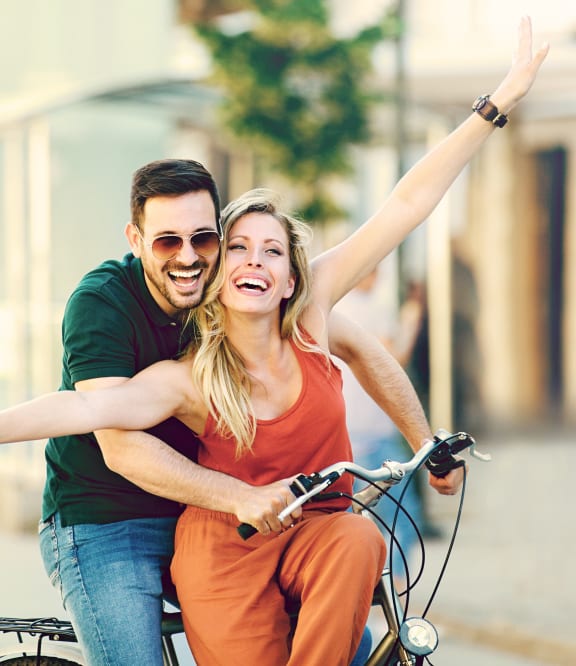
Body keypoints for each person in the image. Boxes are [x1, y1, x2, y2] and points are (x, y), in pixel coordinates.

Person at [0, 16, 548, 664]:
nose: (206, 257)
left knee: (359, 547)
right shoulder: (168, 353)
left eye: (263, 249)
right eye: (237, 248)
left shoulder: (310, 316)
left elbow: (404, 206)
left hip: (291, 528)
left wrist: (496, 105)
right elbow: (94, 413)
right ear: (149, 246)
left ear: (292, 275)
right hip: (117, 518)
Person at [27, 158, 423, 666]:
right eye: (167, 241)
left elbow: (368, 333)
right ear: (135, 238)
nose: (188, 257)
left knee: (350, 641)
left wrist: (425, 441)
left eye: (203, 239)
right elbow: (117, 442)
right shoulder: (103, 304)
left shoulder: (228, 294)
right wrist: (241, 494)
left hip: (200, 513)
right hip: (104, 521)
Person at [334, 267, 428, 579]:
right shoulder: (373, 310)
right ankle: (395, 593)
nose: (376, 276)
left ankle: (367, 590)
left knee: (355, 523)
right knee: (403, 519)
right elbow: (394, 358)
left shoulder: (331, 310)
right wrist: (414, 313)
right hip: (375, 436)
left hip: (345, 436)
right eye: (372, 268)